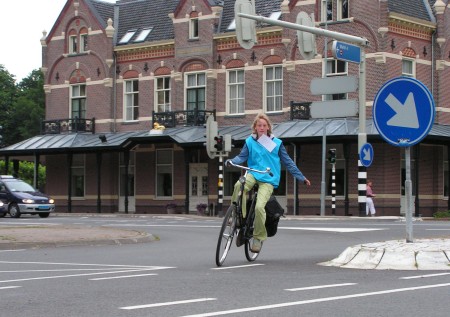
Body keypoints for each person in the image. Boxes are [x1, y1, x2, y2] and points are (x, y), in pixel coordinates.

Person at [226, 113, 311, 253]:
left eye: (264, 125)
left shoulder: (276, 143)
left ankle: (258, 238)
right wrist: (231, 161)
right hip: (253, 173)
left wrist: (301, 177)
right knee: (238, 185)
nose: (262, 128)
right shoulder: (250, 141)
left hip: (268, 178)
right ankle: (235, 215)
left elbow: (288, 162)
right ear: (255, 127)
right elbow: (241, 157)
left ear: (268, 127)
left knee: (260, 207)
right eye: (259, 125)